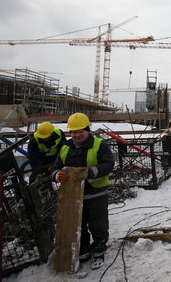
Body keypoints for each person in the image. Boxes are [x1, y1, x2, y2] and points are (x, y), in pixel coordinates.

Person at [52, 113, 114, 270]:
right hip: (73, 195)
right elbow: (55, 168)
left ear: (87, 130)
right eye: (73, 132)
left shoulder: (100, 145)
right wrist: (56, 175)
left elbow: (108, 165)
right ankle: (84, 249)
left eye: (80, 131)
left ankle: (99, 250)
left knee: (97, 224)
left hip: (96, 193)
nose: (77, 135)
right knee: (78, 223)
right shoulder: (66, 147)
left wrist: (90, 172)